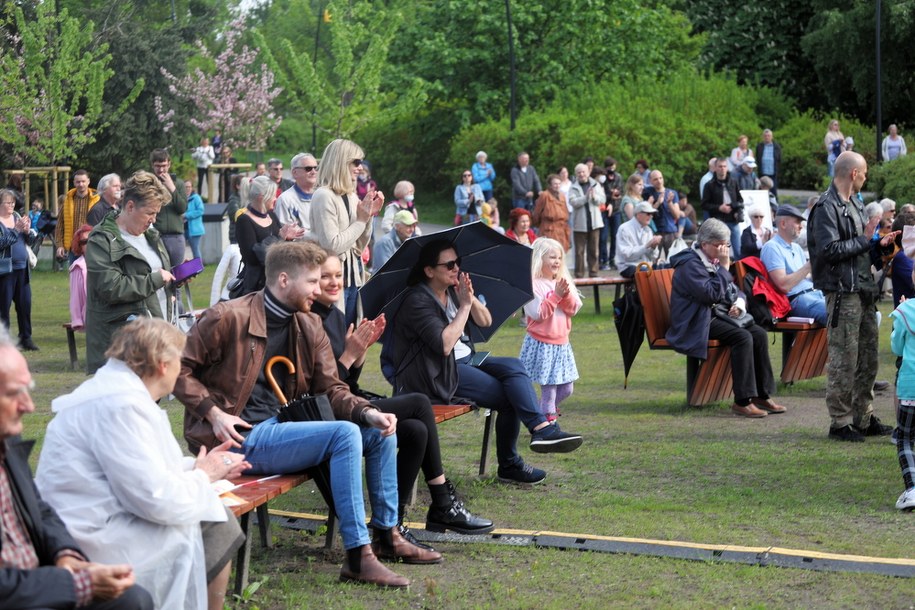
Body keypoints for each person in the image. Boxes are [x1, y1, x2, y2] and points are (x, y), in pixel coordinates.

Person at [174, 241, 435, 587]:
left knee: (377, 432)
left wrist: (369, 412)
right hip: (237, 439)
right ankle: (358, 555)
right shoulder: (227, 316)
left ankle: (386, 534)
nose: (320, 289)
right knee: (345, 434)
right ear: (284, 280)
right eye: (312, 281)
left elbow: (331, 389)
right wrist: (214, 414)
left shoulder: (310, 325)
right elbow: (178, 370)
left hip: (281, 429)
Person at [36, 318, 247, 610]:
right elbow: (155, 498)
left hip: (98, 518)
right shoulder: (120, 404)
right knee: (216, 523)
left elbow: (139, 469)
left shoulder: (118, 392)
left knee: (215, 515)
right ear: (163, 364)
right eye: (179, 362)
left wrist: (200, 468)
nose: (179, 371)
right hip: (90, 537)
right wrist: (204, 474)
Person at [312, 252, 493, 538]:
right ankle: (442, 502)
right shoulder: (308, 320)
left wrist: (359, 353)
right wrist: (349, 356)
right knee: (419, 403)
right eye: (325, 277)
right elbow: (320, 390)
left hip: (347, 402)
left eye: (338, 275)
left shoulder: (334, 315)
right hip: (326, 413)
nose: (335, 282)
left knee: (416, 430)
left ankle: (393, 522)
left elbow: (347, 381)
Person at [389, 240, 584, 486]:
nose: (455, 269)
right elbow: (444, 345)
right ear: (429, 271)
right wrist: (465, 306)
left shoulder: (452, 290)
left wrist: (469, 298)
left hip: (464, 361)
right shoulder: (417, 301)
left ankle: (541, 429)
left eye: (457, 263)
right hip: (436, 373)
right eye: (449, 265)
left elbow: (485, 320)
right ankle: (512, 462)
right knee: (509, 396)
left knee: (514, 367)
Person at [0, 327, 154, 610]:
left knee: (134, 599)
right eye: (13, 394)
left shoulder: (6, 438)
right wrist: (76, 585)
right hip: (18, 596)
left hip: (40, 583)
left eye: (28, 389)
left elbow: (38, 507)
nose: (30, 406)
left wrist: (65, 554)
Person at [808, 151, 898, 441]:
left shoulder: (855, 204)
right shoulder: (826, 207)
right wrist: (865, 238)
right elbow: (829, 250)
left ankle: (863, 417)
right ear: (853, 174)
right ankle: (840, 422)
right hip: (842, 291)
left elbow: (860, 250)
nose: (866, 177)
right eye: (865, 172)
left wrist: (879, 245)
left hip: (864, 289)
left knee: (868, 358)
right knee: (844, 358)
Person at [666, 219, 786, 418]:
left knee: (758, 333)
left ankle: (761, 395)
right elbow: (710, 295)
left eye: (727, 245)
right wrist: (723, 266)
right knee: (743, 337)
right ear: (704, 244)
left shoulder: (711, 260)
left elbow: (734, 290)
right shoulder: (690, 265)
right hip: (695, 322)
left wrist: (739, 304)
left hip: (712, 316)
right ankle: (742, 401)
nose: (724, 250)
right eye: (720, 245)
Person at [84, 171, 175, 375]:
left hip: (155, 336)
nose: (153, 220)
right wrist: (155, 279)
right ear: (130, 206)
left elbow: (158, 275)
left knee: (152, 403)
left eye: (156, 214)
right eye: (150, 213)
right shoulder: (101, 239)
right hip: (123, 346)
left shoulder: (151, 235)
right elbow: (111, 287)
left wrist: (174, 280)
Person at [310, 139, 384, 326]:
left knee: (350, 338)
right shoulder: (323, 196)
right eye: (356, 162)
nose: (360, 168)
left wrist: (369, 216)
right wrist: (361, 221)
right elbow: (332, 245)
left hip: (354, 278)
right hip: (333, 281)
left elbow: (358, 246)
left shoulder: (351, 196)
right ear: (341, 162)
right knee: (334, 344)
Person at [519, 238, 582, 422]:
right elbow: (538, 313)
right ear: (539, 258)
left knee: (567, 388)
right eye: (552, 257)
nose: (557, 261)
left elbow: (573, 309)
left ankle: (540, 413)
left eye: (559, 257)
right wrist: (556, 296)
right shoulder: (533, 284)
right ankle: (548, 427)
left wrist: (565, 295)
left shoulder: (561, 283)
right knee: (550, 390)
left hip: (562, 344)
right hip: (543, 344)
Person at [235, 175, 303, 297]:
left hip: (279, 282)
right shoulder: (244, 220)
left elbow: (280, 249)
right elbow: (252, 257)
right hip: (258, 288)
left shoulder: (271, 215)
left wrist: (288, 238)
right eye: (273, 194)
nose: (275, 198)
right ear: (262, 197)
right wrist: (281, 237)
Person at [760, 205, 827, 325]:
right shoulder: (772, 247)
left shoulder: (796, 248)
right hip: (797, 300)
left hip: (814, 294)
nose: (801, 226)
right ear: (783, 224)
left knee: (851, 309)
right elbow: (784, 286)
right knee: (841, 315)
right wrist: (809, 265)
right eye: (797, 222)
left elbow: (805, 277)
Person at [0, 190, 37, 351]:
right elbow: (2, 243)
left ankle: (26, 338)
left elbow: (30, 240)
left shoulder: (17, 217)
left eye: (13, 202)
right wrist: (16, 230)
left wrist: (28, 231)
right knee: (3, 307)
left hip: (22, 268)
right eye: (8, 203)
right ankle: (4, 342)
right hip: (5, 271)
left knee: (24, 304)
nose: (11, 205)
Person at [890, 291, 915, 511]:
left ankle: (912, 488)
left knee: (905, 438)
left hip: (910, 387)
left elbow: (896, 348)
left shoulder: (904, 312)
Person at [149, 149, 188, 267]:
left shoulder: (179, 184)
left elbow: (182, 208)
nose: (161, 170)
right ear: (152, 166)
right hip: (156, 236)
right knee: (158, 272)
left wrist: (172, 188)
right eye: (157, 166)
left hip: (176, 237)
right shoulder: (149, 184)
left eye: (164, 166)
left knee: (177, 276)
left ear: (169, 164)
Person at [702, 157, 744, 259]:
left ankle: (739, 273)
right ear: (715, 168)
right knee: (719, 251)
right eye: (720, 166)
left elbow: (741, 201)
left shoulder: (733, 182)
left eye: (724, 166)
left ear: (727, 167)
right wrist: (719, 208)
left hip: (733, 220)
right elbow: (704, 204)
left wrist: (735, 209)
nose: (722, 169)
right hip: (718, 221)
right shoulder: (709, 185)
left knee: (738, 250)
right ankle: (721, 273)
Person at [568, 163, 606, 278]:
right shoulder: (573, 187)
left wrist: (594, 197)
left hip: (594, 223)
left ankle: (593, 272)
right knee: (579, 252)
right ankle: (579, 275)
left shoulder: (596, 184)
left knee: (594, 250)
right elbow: (573, 202)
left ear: (588, 172)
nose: (581, 174)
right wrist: (585, 197)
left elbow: (603, 199)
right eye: (579, 172)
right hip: (579, 224)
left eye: (583, 171)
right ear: (576, 174)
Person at [55, 170, 99, 263]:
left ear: (88, 181)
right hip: (73, 248)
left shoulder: (97, 200)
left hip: (92, 246)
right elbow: (60, 224)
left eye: (83, 181)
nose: (81, 184)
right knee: (75, 275)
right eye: (78, 182)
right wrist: (60, 245)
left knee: (92, 276)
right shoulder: (67, 201)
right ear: (74, 183)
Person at [275, 152, 319, 239]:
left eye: (316, 168)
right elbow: (289, 233)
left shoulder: (324, 195)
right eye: (308, 168)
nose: (314, 172)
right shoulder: (285, 200)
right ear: (294, 173)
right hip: (302, 250)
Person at [614, 201, 662, 278]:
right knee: (647, 273)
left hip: (646, 267)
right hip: (628, 267)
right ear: (639, 214)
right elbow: (627, 256)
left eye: (652, 214)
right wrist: (646, 246)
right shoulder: (624, 229)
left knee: (667, 268)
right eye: (648, 214)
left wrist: (654, 247)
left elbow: (653, 257)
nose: (651, 216)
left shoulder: (648, 230)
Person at [642, 170, 681, 262]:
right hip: (655, 232)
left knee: (673, 261)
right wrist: (658, 203)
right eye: (655, 179)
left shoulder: (672, 193)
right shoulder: (647, 193)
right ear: (650, 181)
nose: (659, 181)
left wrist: (669, 203)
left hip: (670, 231)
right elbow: (645, 213)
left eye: (660, 178)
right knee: (653, 261)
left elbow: (677, 215)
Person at [532, 174, 570, 251]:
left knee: (560, 252)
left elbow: (566, 212)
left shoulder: (562, 196)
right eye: (555, 184)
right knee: (549, 252)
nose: (557, 186)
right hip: (549, 229)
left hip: (561, 230)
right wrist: (541, 225)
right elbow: (536, 213)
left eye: (559, 184)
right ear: (550, 185)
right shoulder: (544, 195)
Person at [69, 224, 93, 330]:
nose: (89, 244)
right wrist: (77, 320)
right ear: (79, 246)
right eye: (84, 242)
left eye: (92, 239)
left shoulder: (107, 261)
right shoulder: (78, 267)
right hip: (91, 315)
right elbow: (75, 297)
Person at [184, 180, 205, 261]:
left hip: (194, 229)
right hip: (183, 228)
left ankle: (199, 267)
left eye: (189, 187)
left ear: (192, 188)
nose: (187, 189)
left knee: (195, 249)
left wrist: (186, 215)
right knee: (181, 250)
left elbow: (200, 211)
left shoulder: (196, 198)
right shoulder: (181, 198)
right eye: (186, 187)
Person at [755, 129, 782, 193]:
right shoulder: (759, 146)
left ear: (772, 137)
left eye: (768, 135)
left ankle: (773, 203)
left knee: (773, 191)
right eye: (765, 136)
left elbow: (779, 160)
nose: (767, 137)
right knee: (761, 191)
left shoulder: (777, 147)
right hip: (762, 173)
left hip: (773, 173)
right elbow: (758, 158)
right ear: (763, 137)